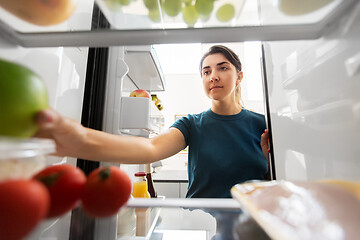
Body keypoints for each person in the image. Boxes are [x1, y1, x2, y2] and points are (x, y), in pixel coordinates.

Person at [35, 45, 270, 198]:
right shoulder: (192, 124)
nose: (213, 76)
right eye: (206, 72)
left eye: (223, 68)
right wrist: (78, 139)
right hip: (201, 223)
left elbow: (275, 182)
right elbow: (149, 148)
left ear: (239, 76)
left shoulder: (263, 125)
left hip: (252, 226)